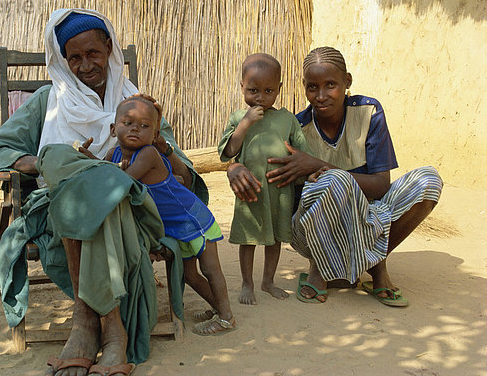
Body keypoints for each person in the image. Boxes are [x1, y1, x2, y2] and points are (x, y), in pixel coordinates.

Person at [0, 9, 208, 376]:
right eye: (74, 57)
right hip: (65, 203)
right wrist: (46, 162)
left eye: (93, 54)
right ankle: (113, 332)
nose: (84, 66)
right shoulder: (49, 100)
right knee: (74, 174)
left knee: (103, 191)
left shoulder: (134, 103)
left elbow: (179, 168)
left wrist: (158, 141)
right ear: (64, 60)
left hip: (128, 207)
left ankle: (86, 322)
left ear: (109, 49)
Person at [226, 46, 442, 306]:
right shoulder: (296, 126)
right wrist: (232, 167)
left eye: (331, 85)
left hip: (371, 215)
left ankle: (376, 264)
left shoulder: (368, 112)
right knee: (332, 180)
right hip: (314, 232)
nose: (321, 95)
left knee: (428, 180)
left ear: (347, 82)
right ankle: (321, 266)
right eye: (312, 87)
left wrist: (317, 164)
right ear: (303, 87)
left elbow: (381, 186)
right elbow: (259, 161)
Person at [105, 95, 236, 335]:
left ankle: (227, 317)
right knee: (191, 275)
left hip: (194, 220)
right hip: (177, 227)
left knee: (210, 270)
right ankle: (217, 307)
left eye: (144, 126)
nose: (135, 128)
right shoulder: (114, 154)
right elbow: (104, 170)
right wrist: (88, 158)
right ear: (113, 129)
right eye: (128, 122)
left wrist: (97, 170)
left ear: (155, 136)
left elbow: (122, 182)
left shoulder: (148, 155)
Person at [217, 53, 311, 305]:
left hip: (280, 190)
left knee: (275, 239)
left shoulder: (288, 119)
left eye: (269, 90)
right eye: (253, 90)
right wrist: (245, 123)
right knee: (248, 240)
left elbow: (303, 153)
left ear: (279, 88)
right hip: (250, 190)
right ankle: (247, 283)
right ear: (241, 87)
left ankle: (268, 281)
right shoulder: (238, 118)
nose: (260, 97)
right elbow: (228, 152)